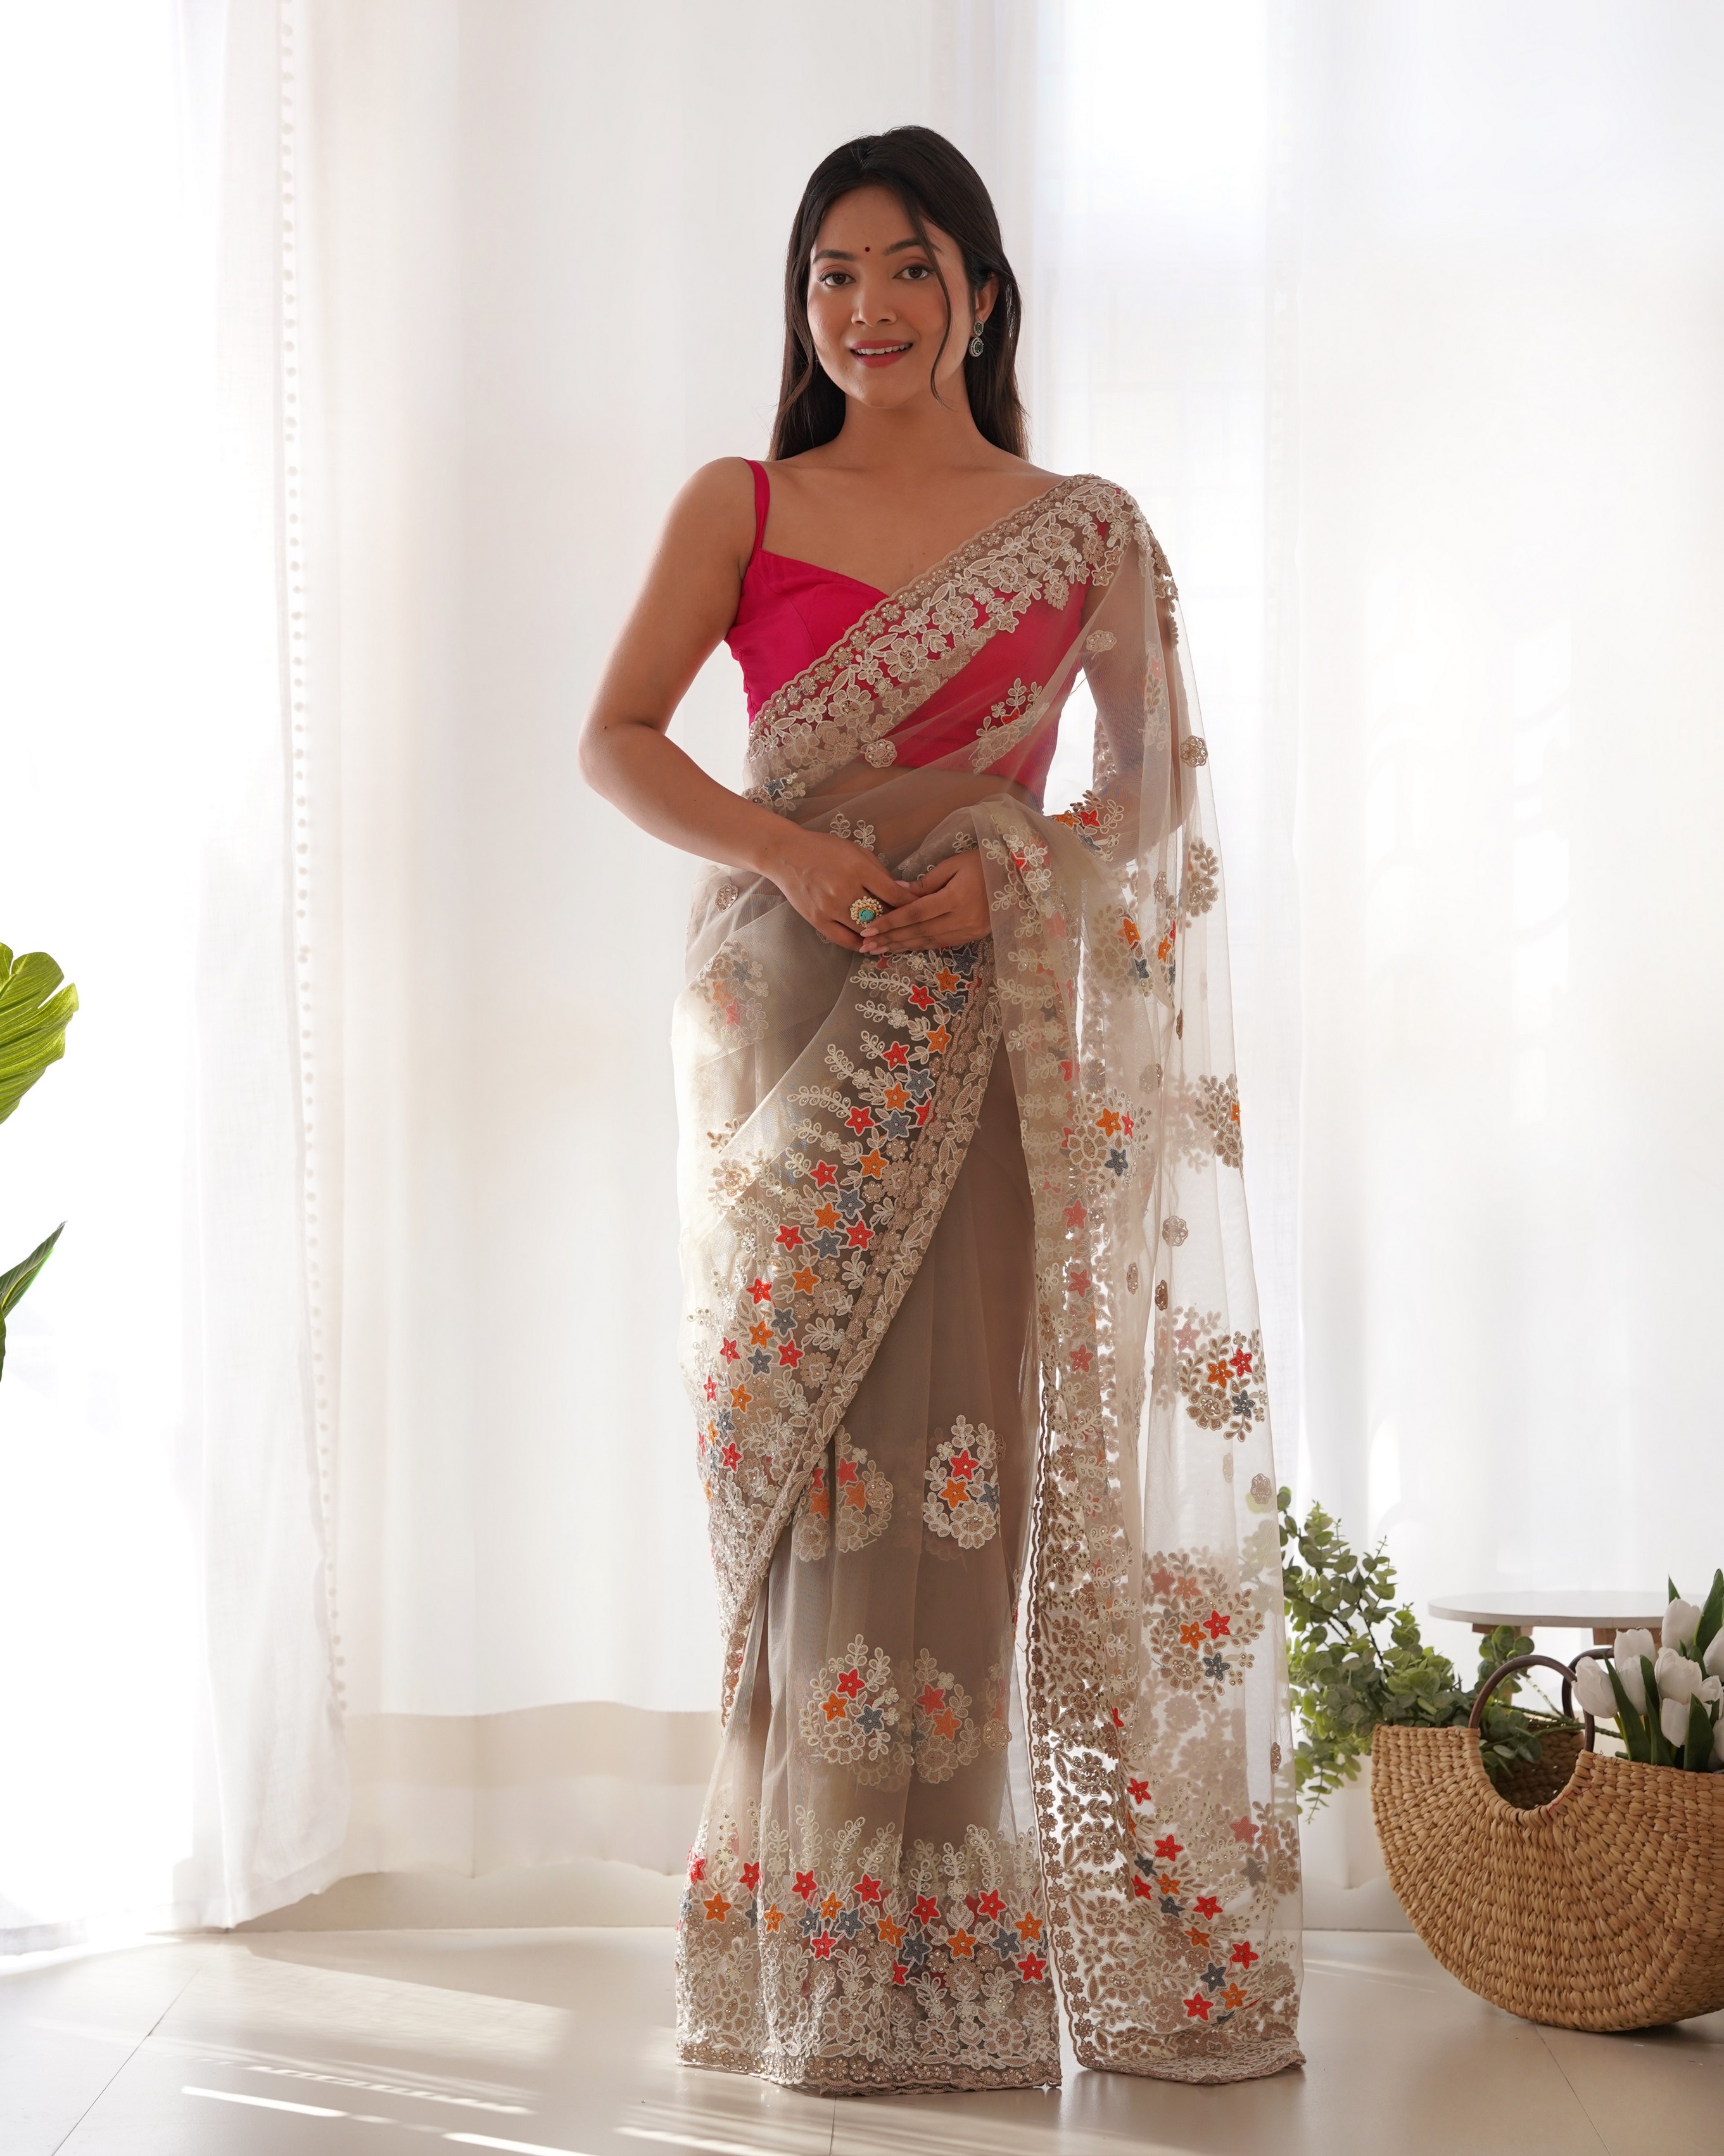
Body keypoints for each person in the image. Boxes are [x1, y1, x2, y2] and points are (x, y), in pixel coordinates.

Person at [581, 125, 1302, 2096]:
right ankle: (806, 1949)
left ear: (980, 292)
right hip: (783, 1026)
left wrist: (1014, 879)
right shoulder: (743, 500)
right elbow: (616, 736)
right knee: (805, 1464)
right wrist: (788, 854)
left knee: (960, 1457)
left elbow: (1148, 791)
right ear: (800, 301)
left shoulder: (1082, 531)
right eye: (833, 274)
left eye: (909, 268)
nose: (869, 309)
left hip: (982, 1028)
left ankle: (934, 1962)